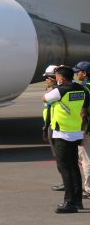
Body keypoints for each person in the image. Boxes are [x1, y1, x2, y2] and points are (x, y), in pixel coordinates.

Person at [43, 65, 89, 213]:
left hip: (62, 133)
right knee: (74, 167)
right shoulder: (81, 89)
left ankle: (69, 202)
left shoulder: (60, 90)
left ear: (62, 78)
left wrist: (56, 87)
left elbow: (45, 98)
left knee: (65, 168)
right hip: (75, 132)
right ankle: (77, 201)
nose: (55, 78)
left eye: (57, 76)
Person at [73, 61, 90, 199]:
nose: (76, 74)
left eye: (78, 72)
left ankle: (88, 189)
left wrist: (80, 130)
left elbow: (83, 113)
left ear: (84, 73)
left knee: (86, 159)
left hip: (87, 127)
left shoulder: (84, 88)